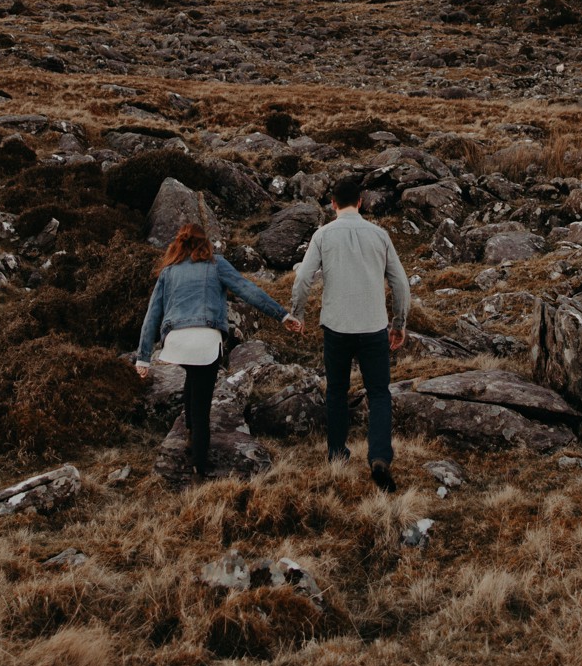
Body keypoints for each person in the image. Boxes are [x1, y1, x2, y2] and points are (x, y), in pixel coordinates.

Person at [136, 222, 302, 480]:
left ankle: (190, 433)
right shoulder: (216, 264)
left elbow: (152, 314)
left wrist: (143, 357)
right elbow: (248, 290)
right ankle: (199, 469)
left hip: (177, 342)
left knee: (193, 379)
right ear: (206, 243)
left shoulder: (168, 271)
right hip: (205, 339)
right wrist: (282, 315)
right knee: (202, 405)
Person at [290, 173, 411, 492]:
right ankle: (380, 457)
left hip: (337, 326)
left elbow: (302, 280)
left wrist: (297, 313)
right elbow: (401, 284)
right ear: (360, 203)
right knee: (380, 393)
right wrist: (399, 324)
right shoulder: (379, 235)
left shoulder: (323, 235)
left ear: (333, 205)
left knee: (336, 392)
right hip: (373, 327)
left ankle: (337, 455)